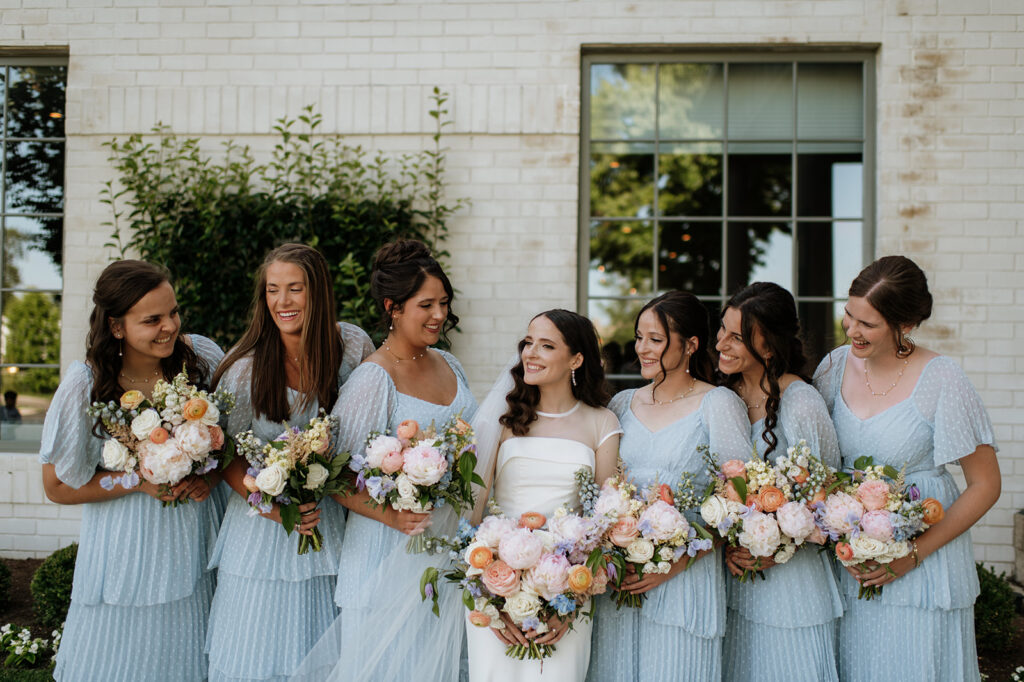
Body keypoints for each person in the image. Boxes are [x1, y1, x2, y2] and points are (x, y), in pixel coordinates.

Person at [294, 239, 478, 681]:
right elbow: (334, 477)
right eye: (427, 305)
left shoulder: (451, 364)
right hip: (384, 550)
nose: (439, 315)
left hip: (445, 549)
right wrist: (393, 516)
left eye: (444, 303)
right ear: (393, 307)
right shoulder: (373, 379)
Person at [814, 255, 1000, 682]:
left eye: (868, 323)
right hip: (851, 562)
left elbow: (986, 484)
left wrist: (913, 555)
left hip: (924, 566)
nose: (852, 330)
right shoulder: (832, 367)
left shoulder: (943, 379)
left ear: (906, 325)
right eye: (849, 314)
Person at [39, 260, 224, 681]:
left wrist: (206, 476)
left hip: (194, 537)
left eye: (173, 312)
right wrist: (138, 482)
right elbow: (56, 486)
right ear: (117, 326)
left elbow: (224, 443)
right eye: (152, 319)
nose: (170, 327)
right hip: (127, 544)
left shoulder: (201, 359)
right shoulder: (84, 384)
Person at [204, 244, 374, 682]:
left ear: (318, 293)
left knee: (326, 651)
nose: (283, 302)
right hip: (263, 530)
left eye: (295, 289)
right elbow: (226, 456)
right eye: (273, 290)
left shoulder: (351, 346)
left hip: (329, 523)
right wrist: (277, 508)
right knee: (259, 651)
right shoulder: (245, 370)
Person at [588, 292, 750, 682]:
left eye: (655, 340)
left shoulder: (718, 403)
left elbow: (742, 498)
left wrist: (677, 560)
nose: (642, 348)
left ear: (691, 345)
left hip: (685, 578)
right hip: (622, 580)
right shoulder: (623, 404)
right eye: (639, 337)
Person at [467, 309, 621, 682]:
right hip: (494, 585)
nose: (530, 353)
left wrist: (571, 601)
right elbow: (471, 518)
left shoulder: (602, 423)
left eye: (547, 345)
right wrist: (492, 597)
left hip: (568, 591)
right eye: (529, 342)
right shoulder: (502, 419)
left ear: (576, 359)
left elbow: (604, 522)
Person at [715, 282, 842, 682]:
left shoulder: (801, 402)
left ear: (768, 348)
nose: (721, 343)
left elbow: (828, 493)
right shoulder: (722, 398)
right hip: (735, 581)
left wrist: (777, 545)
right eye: (722, 330)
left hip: (792, 586)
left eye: (736, 337)